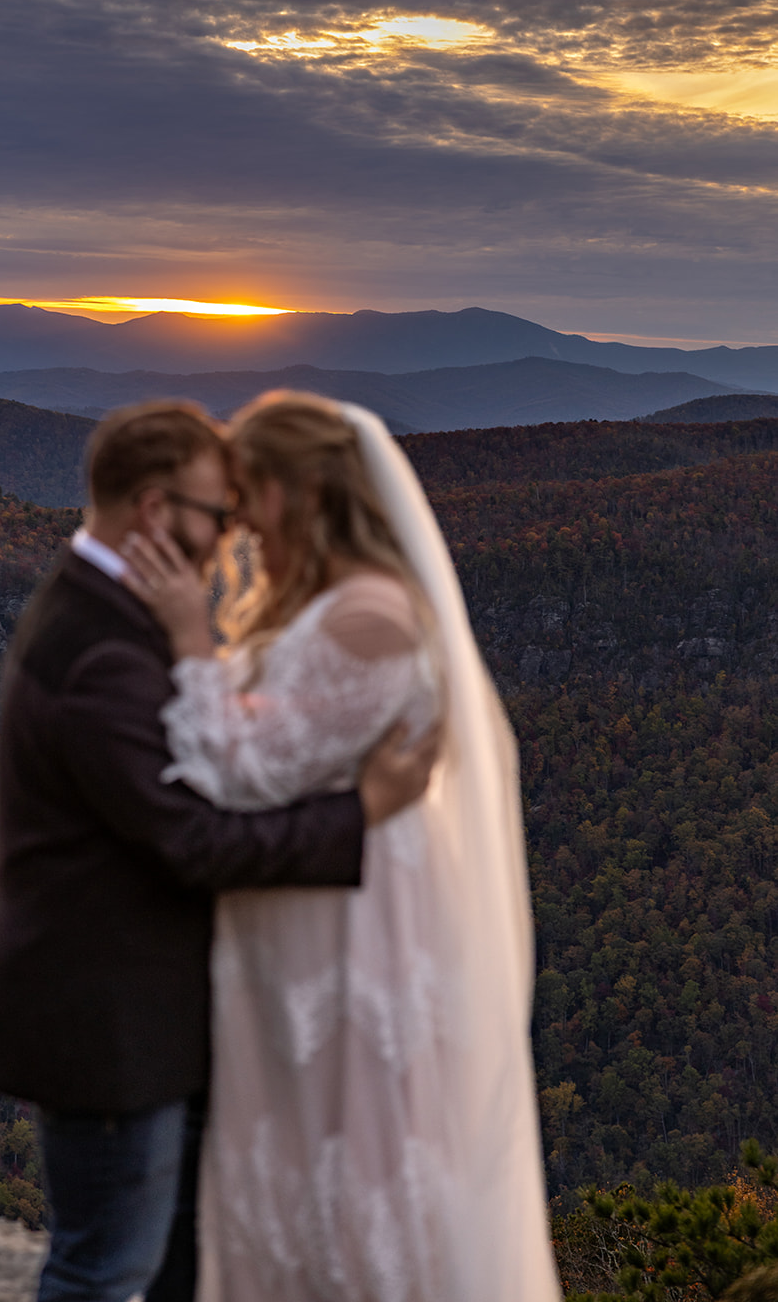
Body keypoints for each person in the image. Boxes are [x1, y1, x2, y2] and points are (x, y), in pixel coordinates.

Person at [0, 399, 438, 1302]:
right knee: (103, 1270)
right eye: (217, 515)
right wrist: (362, 809)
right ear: (153, 511)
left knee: (170, 1261)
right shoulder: (104, 650)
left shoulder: (98, 610)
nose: (228, 537)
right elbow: (194, 841)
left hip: (146, 1013)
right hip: (108, 1021)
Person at [121, 391, 562, 1302]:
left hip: (349, 930)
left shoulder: (371, 619)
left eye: (250, 498)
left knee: (352, 1168)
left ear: (303, 491)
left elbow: (239, 772)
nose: (239, 526)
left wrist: (185, 636)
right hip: (312, 906)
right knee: (304, 1162)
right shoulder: (334, 606)